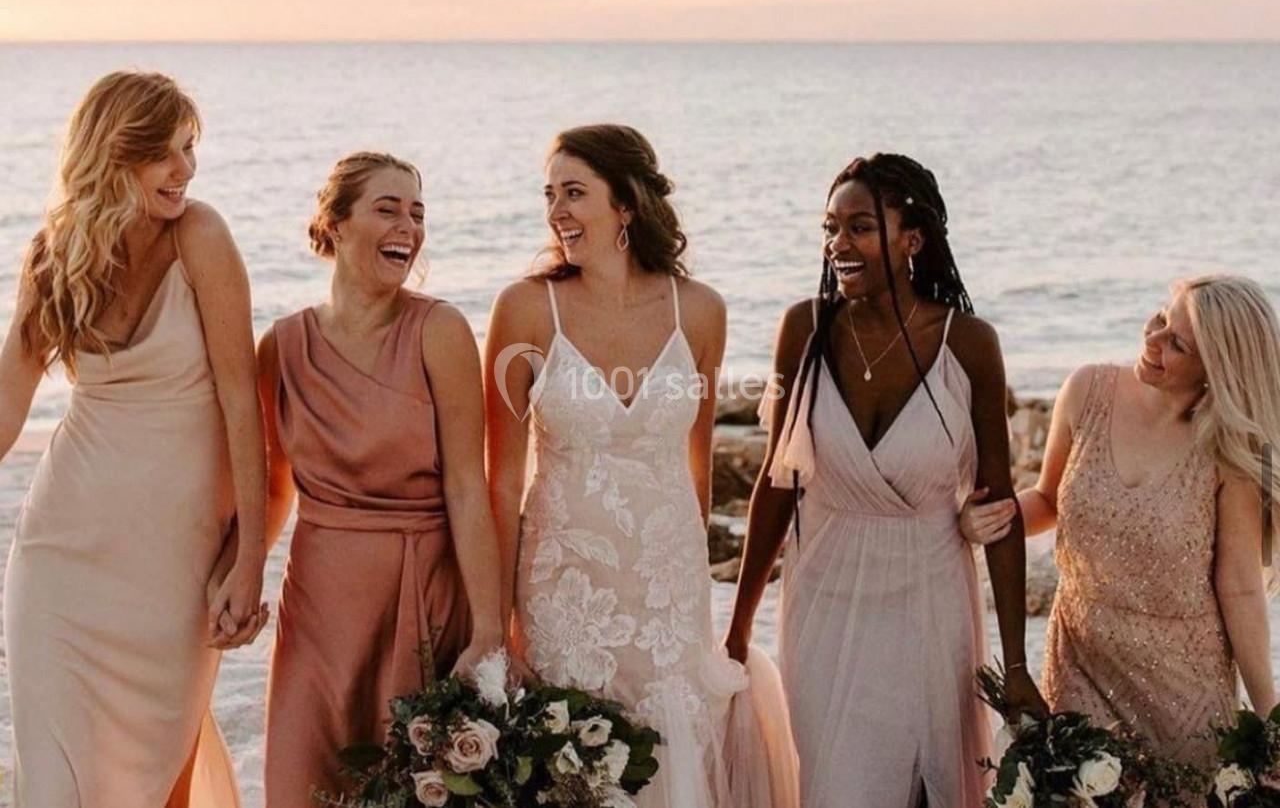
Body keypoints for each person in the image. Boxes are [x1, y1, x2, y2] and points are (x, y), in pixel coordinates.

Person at [724, 153, 1047, 807]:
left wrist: (1014, 665)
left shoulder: (970, 344)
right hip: (823, 598)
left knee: (925, 785)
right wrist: (736, 630)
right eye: (830, 228)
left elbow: (1001, 509)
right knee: (833, 783)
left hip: (930, 598)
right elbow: (778, 484)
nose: (839, 245)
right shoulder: (803, 331)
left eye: (860, 227)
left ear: (912, 239)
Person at [485, 124, 793, 807]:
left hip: (667, 593)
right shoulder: (527, 308)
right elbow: (502, 483)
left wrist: (694, 593)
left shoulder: (702, 310)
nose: (556, 211)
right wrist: (496, 619)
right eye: (550, 194)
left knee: (671, 755)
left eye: (574, 192)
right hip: (562, 591)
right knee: (569, 769)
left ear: (625, 204)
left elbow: (698, 462)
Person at [0, 70, 266, 806]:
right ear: (115, 153)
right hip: (62, 558)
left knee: (158, 773)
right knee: (54, 783)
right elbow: (7, 400)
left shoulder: (200, 237)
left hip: (171, 565)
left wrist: (249, 557)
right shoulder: (54, 256)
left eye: (190, 150)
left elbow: (244, 406)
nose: (186, 170)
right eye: (167, 153)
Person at [259, 152, 505, 806]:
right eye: (388, 208)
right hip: (316, 603)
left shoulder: (439, 330)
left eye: (418, 212)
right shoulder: (281, 346)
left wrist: (488, 629)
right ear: (334, 225)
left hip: (420, 595)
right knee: (301, 780)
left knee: (416, 784)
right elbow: (274, 488)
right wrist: (240, 573)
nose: (409, 225)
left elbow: (466, 487)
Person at [961, 274, 1278, 772]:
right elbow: (1048, 498)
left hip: (1182, 687)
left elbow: (1238, 587)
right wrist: (981, 521)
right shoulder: (1088, 390)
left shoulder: (1225, 453)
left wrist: (1268, 715)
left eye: (1176, 343)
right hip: (1079, 660)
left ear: (1215, 368)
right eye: (1159, 319)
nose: (1152, 341)